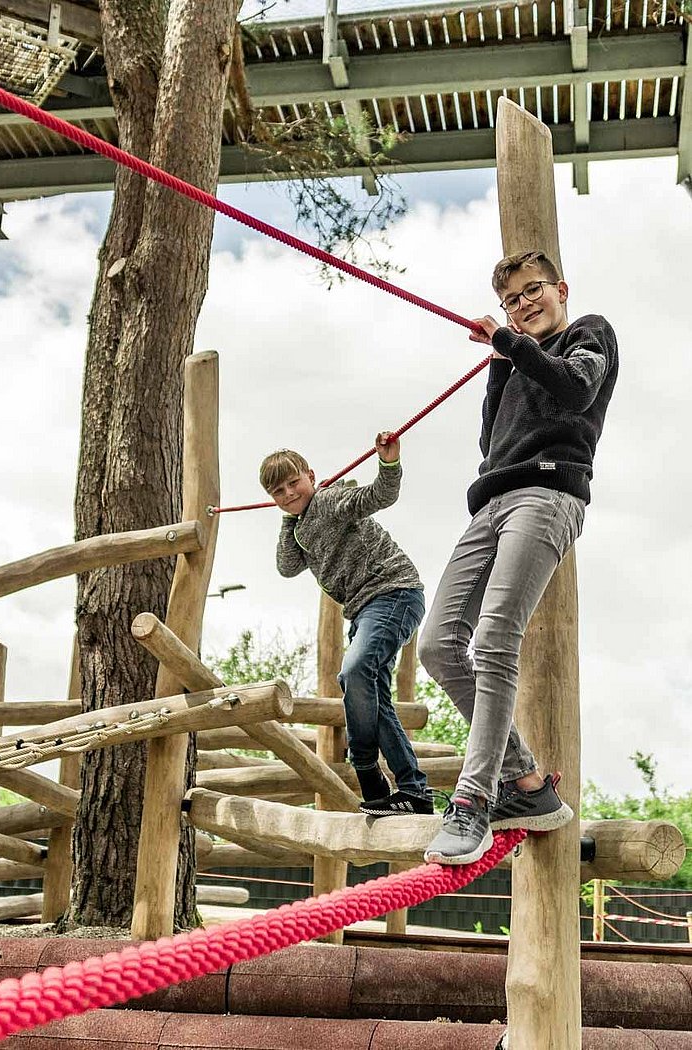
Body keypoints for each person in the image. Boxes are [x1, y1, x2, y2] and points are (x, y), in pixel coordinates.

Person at [420, 249, 619, 865]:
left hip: (548, 490)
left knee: (496, 639)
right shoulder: (508, 362)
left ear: (560, 288)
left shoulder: (588, 333)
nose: (524, 304)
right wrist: (505, 360)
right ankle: (527, 781)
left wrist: (512, 344)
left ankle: (476, 799)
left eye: (534, 291)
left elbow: (577, 387)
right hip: (492, 500)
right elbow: (492, 439)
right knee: (437, 643)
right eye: (512, 300)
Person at [260, 434, 431, 815]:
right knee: (372, 695)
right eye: (278, 491)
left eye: (293, 483)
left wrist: (388, 463)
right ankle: (412, 791)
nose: (288, 493)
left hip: (394, 593)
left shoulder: (331, 501)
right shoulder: (299, 527)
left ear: (311, 476)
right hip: (364, 610)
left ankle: (367, 767)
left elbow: (380, 496)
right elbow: (286, 567)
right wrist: (289, 520)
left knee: (354, 671)